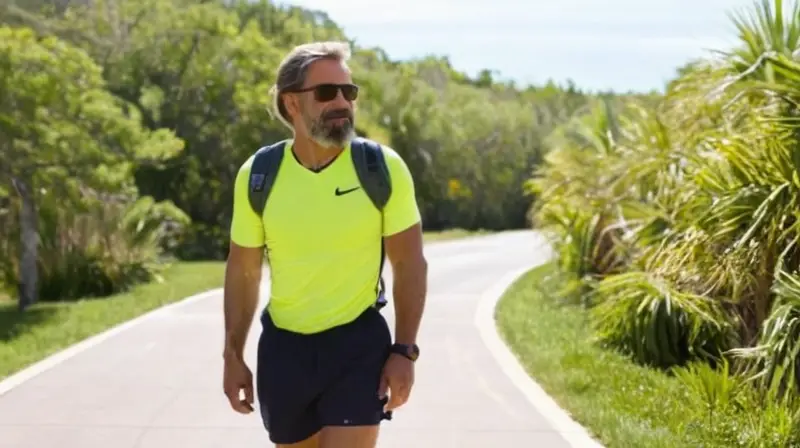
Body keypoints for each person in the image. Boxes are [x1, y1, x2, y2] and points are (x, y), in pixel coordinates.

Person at [222, 40, 428, 448]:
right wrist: (232, 355)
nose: (342, 102)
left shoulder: (381, 168)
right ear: (292, 103)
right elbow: (243, 270)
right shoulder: (259, 175)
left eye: (348, 92)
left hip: (357, 346)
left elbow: (409, 265)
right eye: (326, 92)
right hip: (285, 350)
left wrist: (404, 351)